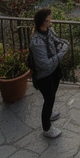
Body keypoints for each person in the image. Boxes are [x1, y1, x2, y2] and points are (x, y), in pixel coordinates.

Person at [29, 8, 69, 138]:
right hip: (44, 75)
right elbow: (44, 64)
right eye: (48, 20)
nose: (50, 21)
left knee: (52, 95)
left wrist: (63, 44)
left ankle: (49, 113)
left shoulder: (49, 31)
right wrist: (62, 52)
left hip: (54, 70)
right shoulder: (36, 42)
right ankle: (47, 128)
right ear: (42, 22)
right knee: (49, 98)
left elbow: (56, 41)